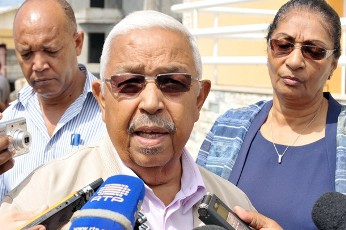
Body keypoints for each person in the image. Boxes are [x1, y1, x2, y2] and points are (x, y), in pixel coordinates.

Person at [0, 10, 283, 230]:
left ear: (199, 99)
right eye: (129, 83)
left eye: (172, 82)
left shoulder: (235, 206)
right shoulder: (38, 198)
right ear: (102, 99)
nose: (150, 102)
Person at [196, 0, 343, 229]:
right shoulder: (227, 128)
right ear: (268, 49)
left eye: (313, 51)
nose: (294, 61)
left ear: (333, 64)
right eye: (283, 44)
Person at [0, 0, 106, 201]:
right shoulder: (8, 122)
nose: (38, 65)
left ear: (77, 43)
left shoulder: (112, 114)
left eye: (51, 50)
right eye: (27, 53)